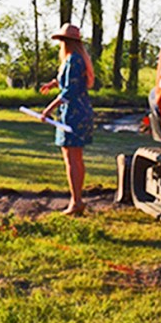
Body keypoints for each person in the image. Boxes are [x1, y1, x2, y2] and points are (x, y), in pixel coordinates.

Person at [40, 23, 95, 216]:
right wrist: (53, 83)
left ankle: (76, 201)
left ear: (66, 42)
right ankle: (76, 199)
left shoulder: (73, 60)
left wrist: (48, 109)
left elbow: (69, 91)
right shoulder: (75, 60)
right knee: (74, 157)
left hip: (73, 114)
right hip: (78, 112)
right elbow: (69, 81)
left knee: (72, 159)